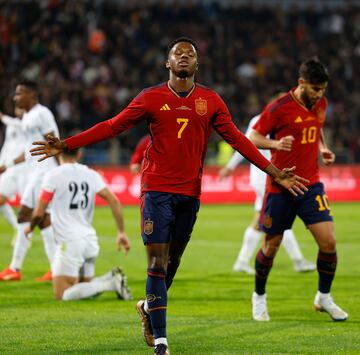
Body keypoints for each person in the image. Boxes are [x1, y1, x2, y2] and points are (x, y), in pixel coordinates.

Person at [30, 37, 308, 355]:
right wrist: (68, 143)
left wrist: (274, 172)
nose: (185, 56)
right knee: (157, 264)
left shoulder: (211, 101)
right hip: (156, 191)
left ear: (197, 64)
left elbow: (239, 141)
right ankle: (161, 341)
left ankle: (149, 309)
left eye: (190, 53)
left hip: (190, 194)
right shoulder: (151, 98)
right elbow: (111, 126)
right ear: (168, 63)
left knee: (171, 265)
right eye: (178, 53)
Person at [248, 59, 348, 322]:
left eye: (323, 89)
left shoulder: (320, 104)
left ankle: (323, 297)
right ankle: (259, 297)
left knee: (329, 242)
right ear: (301, 82)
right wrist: (276, 143)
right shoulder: (279, 107)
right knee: (271, 247)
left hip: (311, 184)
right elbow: (253, 137)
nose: (319, 94)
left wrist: (322, 148)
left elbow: (316, 128)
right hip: (281, 185)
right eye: (315, 88)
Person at [24, 147, 132, 301]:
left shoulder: (53, 175)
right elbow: (114, 200)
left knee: (62, 294)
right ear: (79, 154)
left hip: (70, 242)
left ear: (58, 153)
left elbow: (39, 212)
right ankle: (110, 277)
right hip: (90, 241)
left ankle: (110, 284)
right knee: (82, 289)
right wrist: (121, 232)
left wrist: (30, 227)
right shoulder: (91, 173)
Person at [219, 113, 316, 274]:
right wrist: (230, 166)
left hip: (271, 176)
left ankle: (241, 261)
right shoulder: (259, 120)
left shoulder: (283, 118)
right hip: (264, 178)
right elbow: (243, 143)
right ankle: (298, 261)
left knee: (260, 220)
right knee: (280, 217)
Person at [0, 81, 59, 282]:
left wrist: (61, 169)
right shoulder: (28, 117)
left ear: (31, 94)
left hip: (44, 172)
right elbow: (27, 152)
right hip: (34, 171)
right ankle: (55, 269)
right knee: (42, 219)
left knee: (24, 214)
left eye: (19, 94)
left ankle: (15, 268)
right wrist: (7, 165)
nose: (15, 98)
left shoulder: (41, 113)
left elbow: (53, 142)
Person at [0, 107, 26, 238]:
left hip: (24, 169)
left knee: (31, 206)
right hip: (10, 169)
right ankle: (18, 229)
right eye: (17, 108)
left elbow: (19, 124)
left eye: (21, 108)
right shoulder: (11, 125)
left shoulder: (29, 124)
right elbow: (7, 145)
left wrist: (4, 118)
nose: (18, 110)